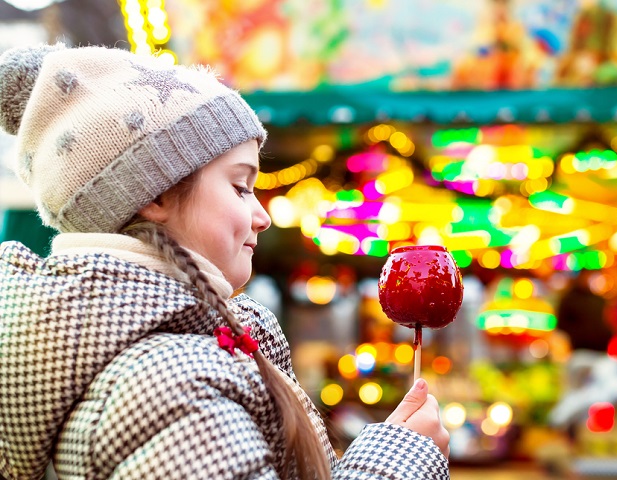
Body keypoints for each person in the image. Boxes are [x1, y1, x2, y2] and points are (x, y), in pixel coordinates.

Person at [0, 43, 450, 480]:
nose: (263, 216)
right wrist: (401, 461)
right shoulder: (168, 388)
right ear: (155, 192)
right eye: (240, 187)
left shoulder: (159, 355)